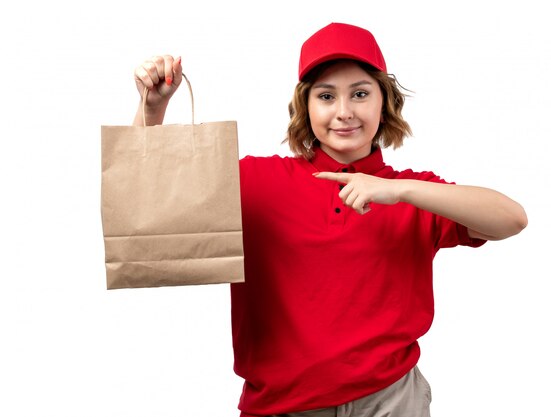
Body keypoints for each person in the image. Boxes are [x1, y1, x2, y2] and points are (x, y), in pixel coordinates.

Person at [132, 22, 527, 417]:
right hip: (282, 406)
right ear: (305, 106)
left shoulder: (415, 193)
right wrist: (153, 109)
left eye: (360, 94)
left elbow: (512, 219)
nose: (344, 112)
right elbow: (148, 194)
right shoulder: (256, 181)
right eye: (326, 96)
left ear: (383, 102)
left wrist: (401, 190)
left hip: (392, 401)